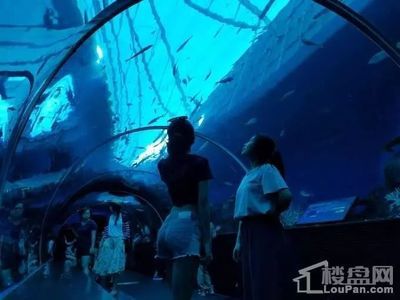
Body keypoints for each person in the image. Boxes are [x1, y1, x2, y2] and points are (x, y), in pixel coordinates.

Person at [156, 116, 213, 300]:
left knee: (176, 291)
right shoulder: (200, 163)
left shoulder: (163, 165)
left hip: (168, 225)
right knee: (183, 296)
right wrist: (207, 242)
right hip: (186, 228)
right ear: (191, 139)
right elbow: (202, 204)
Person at [232, 135, 292, 300]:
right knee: (251, 277)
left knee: (264, 275)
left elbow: (286, 196)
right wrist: (239, 241)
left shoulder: (267, 169)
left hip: (263, 229)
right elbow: (244, 211)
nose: (245, 143)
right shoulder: (248, 175)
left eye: (250, 141)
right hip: (247, 230)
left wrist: (272, 212)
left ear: (259, 149)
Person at [93, 202, 130, 295]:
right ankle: (103, 285)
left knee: (116, 266)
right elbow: (106, 230)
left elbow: (127, 231)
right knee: (105, 263)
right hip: (108, 241)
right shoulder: (108, 216)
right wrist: (104, 241)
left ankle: (114, 288)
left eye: (111, 206)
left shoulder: (124, 217)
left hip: (119, 242)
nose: (109, 207)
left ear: (114, 207)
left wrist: (121, 239)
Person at [0, 202, 26, 287]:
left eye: (21, 208)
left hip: (21, 262)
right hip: (6, 262)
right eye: (17, 208)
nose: (20, 211)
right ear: (11, 210)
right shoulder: (3, 224)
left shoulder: (25, 224)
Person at [73, 207, 97, 275]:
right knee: (78, 266)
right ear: (81, 214)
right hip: (78, 246)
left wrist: (92, 247)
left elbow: (93, 236)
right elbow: (77, 234)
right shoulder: (78, 223)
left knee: (85, 266)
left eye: (89, 213)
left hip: (87, 246)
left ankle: (87, 284)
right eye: (86, 213)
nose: (88, 214)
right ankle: (79, 283)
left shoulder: (92, 223)